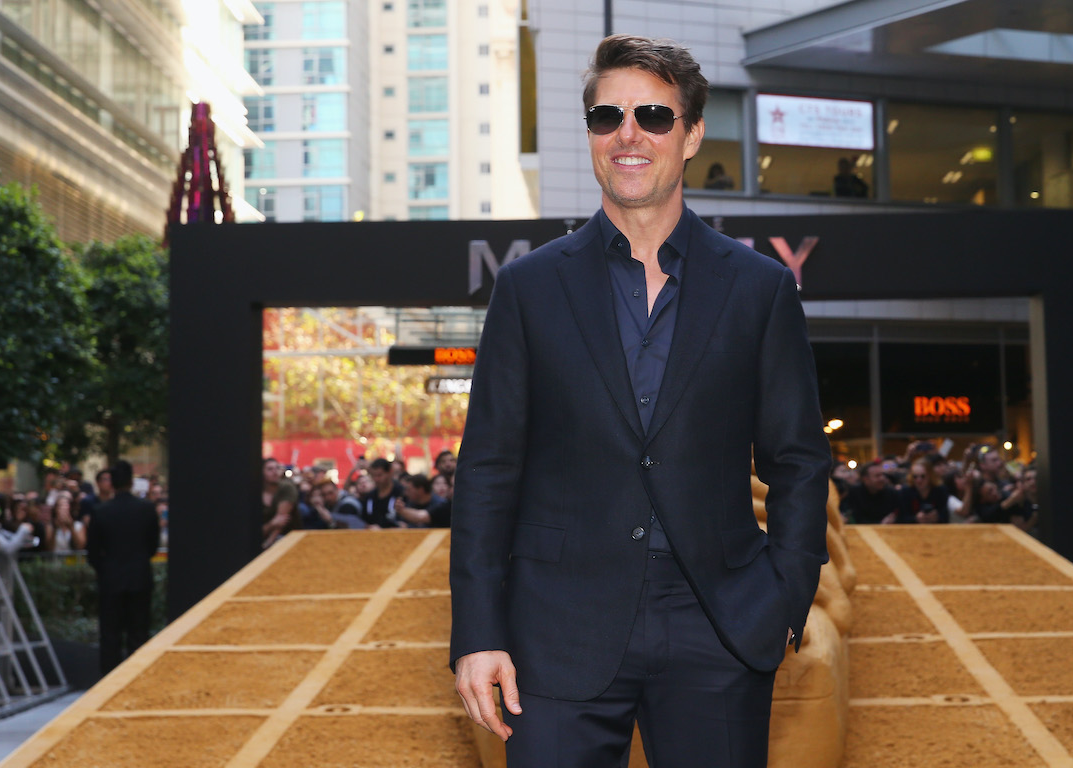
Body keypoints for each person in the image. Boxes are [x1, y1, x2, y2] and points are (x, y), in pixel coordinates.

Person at [449, 34, 831, 767]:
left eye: (654, 116)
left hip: (718, 623)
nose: (628, 135)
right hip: (553, 630)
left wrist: (782, 600)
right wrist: (477, 631)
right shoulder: (529, 289)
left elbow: (797, 460)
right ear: (591, 134)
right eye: (606, 117)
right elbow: (488, 468)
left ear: (689, 135)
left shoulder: (758, 289)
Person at [86, 460, 161, 674]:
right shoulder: (146, 509)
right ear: (130, 481)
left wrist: (105, 570)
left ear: (112, 483)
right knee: (139, 633)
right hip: (139, 578)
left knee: (110, 636)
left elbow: (92, 552)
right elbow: (153, 546)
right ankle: (138, 677)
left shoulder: (101, 511)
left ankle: (109, 681)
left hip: (111, 580)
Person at [846, 460, 903, 524]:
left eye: (883, 475)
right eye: (877, 476)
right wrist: (880, 523)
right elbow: (856, 519)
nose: (882, 478)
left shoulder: (892, 493)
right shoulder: (854, 493)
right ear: (865, 479)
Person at [363, 458, 403, 528]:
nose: (376, 479)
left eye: (379, 475)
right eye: (373, 476)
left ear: (389, 472)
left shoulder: (401, 493)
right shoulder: (369, 497)